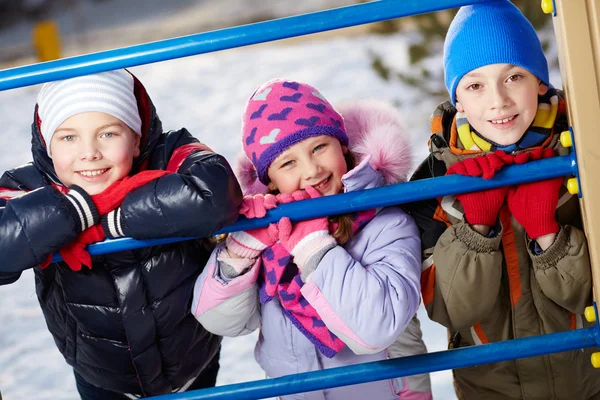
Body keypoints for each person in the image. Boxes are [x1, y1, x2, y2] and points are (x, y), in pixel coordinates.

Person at [0, 69, 242, 398]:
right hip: (101, 374)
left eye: (108, 134)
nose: (89, 153)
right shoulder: (29, 187)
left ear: (137, 136)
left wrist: (114, 221)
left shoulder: (170, 154)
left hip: (190, 360)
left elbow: (216, 195)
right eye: (69, 137)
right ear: (48, 145)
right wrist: (73, 213)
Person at [403, 2, 600, 399]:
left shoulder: (581, 158)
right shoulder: (434, 183)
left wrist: (547, 233)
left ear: (541, 82)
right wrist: (476, 228)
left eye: (514, 76)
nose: (499, 101)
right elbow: (452, 312)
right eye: (475, 85)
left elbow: (585, 295)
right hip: (493, 391)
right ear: (457, 98)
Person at [192, 79, 432, 399]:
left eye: (319, 147)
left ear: (342, 145)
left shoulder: (386, 222)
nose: (311, 170)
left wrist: (313, 246)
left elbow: (375, 329)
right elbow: (221, 321)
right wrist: (241, 250)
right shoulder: (266, 230)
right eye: (288, 162)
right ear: (271, 181)